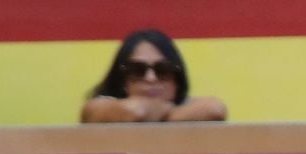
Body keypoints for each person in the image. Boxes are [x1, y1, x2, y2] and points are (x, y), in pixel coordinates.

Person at [80, 30, 229, 123]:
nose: (151, 78)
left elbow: (215, 109)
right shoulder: (98, 107)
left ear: (176, 80)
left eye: (162, 69)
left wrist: (162, 114)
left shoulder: (187, 106)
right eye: (138, 70)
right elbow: (134, 111)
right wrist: (172, 115)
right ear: (123, 79)